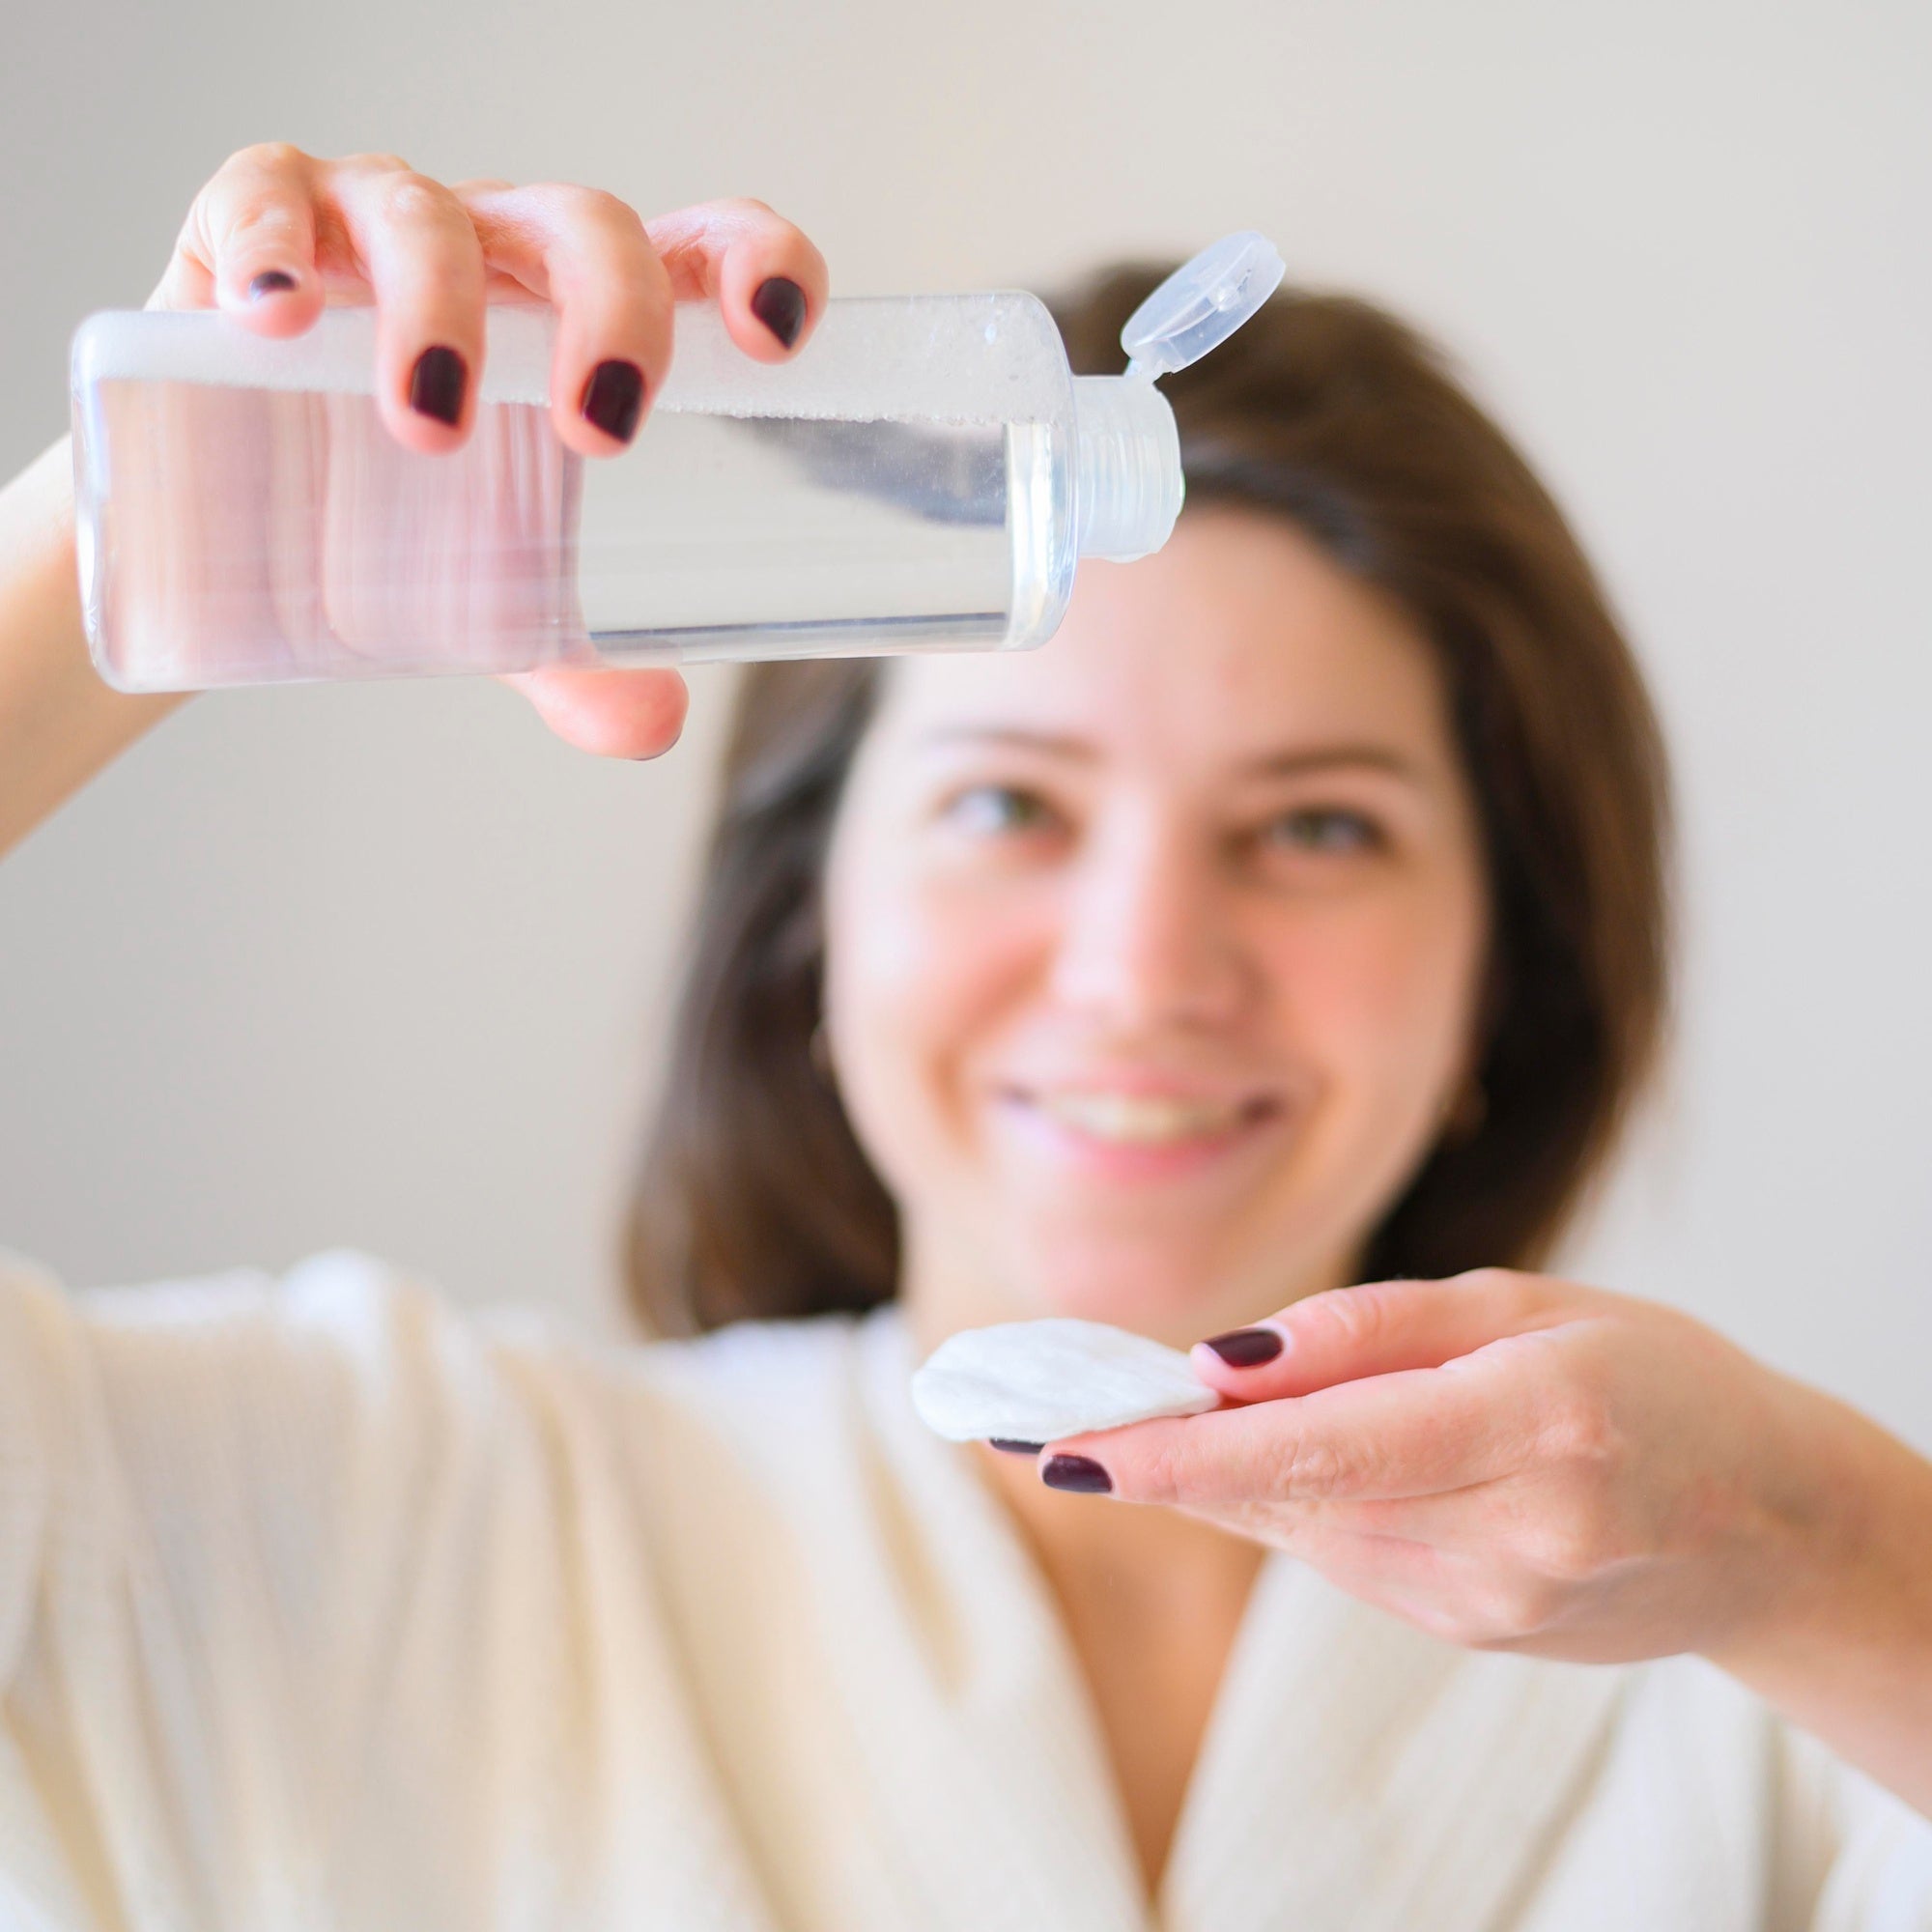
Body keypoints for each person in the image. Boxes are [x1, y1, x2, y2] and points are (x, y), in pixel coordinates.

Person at [0, 144, 1926, 1931]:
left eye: (1318, 826)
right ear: (803, 930)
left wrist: (1816, 1540)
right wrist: (124, 526)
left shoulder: (1764, 1683)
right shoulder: (361, 1529)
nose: (1142, 966)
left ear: (1511, 960)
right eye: (1010, 806)